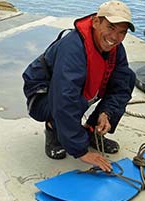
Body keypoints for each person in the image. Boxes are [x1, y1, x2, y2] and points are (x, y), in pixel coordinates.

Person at [22, 0, 136, 172]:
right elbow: (64, 98)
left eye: (122, 32)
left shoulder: (115, 48)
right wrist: (81, 152)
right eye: (111, 28)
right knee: (71, 98)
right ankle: (54, 128)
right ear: (97, 22)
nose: (115, 37)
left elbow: (121, 86)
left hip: (72, 91)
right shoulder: (72, 48)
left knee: (127, 78)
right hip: (42, 95)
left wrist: (108, 113)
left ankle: (91, 131)